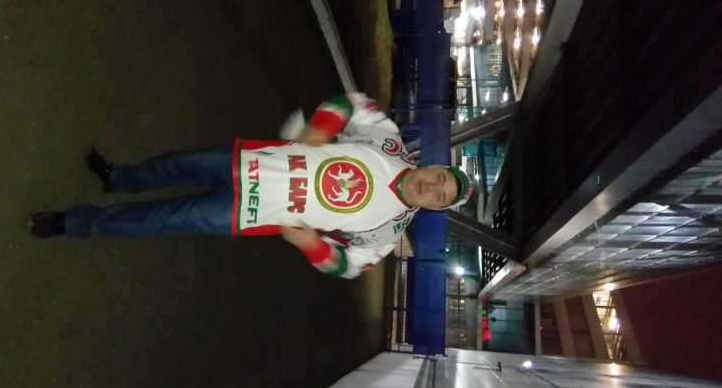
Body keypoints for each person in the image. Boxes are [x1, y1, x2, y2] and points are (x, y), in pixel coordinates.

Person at [30, 92, 473, 279]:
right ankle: (118, 178)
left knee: (165, 218)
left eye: (441, 196)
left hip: (252, 213)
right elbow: (353, 104)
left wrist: (312, 246)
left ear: (435, 209)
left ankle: (77, 223)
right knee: (175, 165)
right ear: (434, 166)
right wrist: (321, 127)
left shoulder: (386, 234)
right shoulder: (388, 139)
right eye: (440, 178)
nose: (433, 187)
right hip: (251, 161)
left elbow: (347, 265)